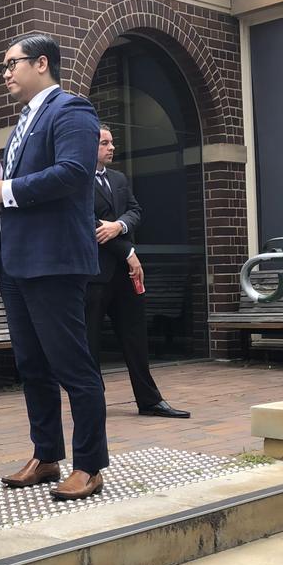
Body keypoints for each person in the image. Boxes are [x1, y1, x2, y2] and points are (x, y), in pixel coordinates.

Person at [0, 33, 109, 501]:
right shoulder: (23, 121)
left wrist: (7, 191)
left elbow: (74, 172)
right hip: (16, 261)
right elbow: (22, 186)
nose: (5, 73)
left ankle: (89, 464)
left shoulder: (72, 110)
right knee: (32, 364)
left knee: (72, 365)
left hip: (54, 262)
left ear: (42, 64)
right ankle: (47, 454)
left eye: (12, 64)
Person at [86, 125, 190, 419]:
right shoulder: (78, 181)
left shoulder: (118, 179)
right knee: (89, 341)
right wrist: (129, 252)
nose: (111, 147)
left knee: (136, 338)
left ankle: (149, 401)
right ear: (88, 146)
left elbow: (135, 211)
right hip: (93, 276)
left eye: (112, 142)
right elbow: (89, 225)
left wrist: (119, 226)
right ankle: (93, 403)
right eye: (104, 143)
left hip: (124, 276)